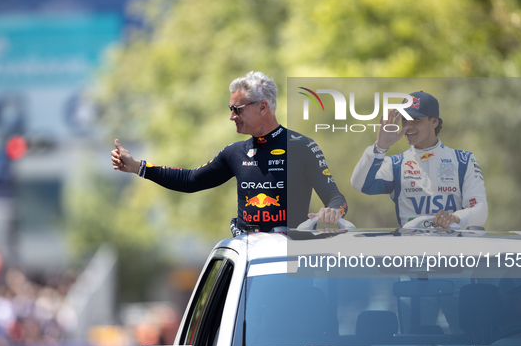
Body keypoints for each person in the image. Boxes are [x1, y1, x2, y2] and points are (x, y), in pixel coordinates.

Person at [111, 71, 348, 235]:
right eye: (230, 109)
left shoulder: (303, 146)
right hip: (249, 258)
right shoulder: (235, 152)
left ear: (262, 107)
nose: (231, 116)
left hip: (288, 258)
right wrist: (138, 167)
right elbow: (190, 180)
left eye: (237, 109)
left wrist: (333, 212)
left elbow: (337, 198)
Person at [350, 91, 487, 229]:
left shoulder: (463, 160)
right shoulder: (396, 164)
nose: (408, 126)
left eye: (416, 119)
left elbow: (479, 209)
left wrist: (456, 218)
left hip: (452, 247)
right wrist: (380, 147)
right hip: (410, 247)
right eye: (405, 120)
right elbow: (359, 184)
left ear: (434, 122)